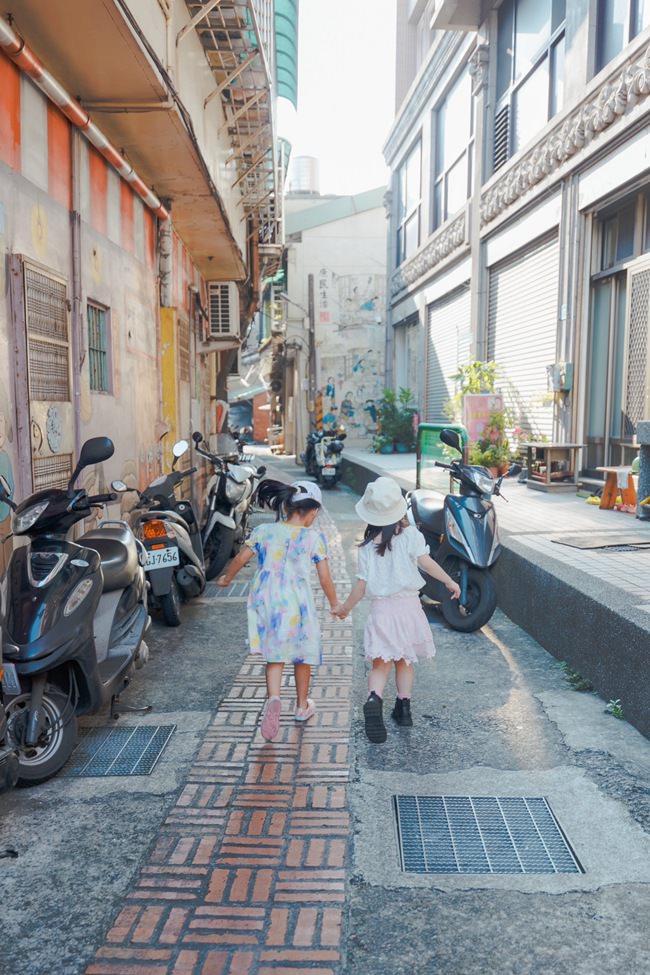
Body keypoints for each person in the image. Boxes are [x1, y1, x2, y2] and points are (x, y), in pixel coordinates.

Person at [334, 476, 460, 744]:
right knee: (405, 660)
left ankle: (374, 698)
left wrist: (345, 608)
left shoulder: (367, 546)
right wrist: (449, 581)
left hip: (382, 611)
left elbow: (361, 586)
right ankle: (403, 709)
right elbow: (428, 564)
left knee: (381, 664)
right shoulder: (412, 536)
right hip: (409, 609)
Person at [217, 479, 339, 741]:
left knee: (275, 654)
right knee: (302, 654)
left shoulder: (264, 531)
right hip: (297, 602)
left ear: (286, 505)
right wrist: (334, 604)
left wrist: (227, 578)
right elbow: (326, 579)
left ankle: (273, 698)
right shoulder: (313, 538)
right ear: (313, 511)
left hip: (267, 599)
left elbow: (240, 558)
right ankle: (301, 706)